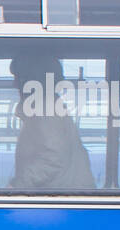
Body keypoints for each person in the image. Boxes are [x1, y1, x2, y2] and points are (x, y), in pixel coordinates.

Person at [7, 54, 94, 190]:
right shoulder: (46, 106)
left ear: (31, 81)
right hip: (64, 193)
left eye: (18, 78)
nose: (14, 84)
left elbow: (52, 159)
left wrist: (17, 185)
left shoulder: (45, 109)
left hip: (63, 197)